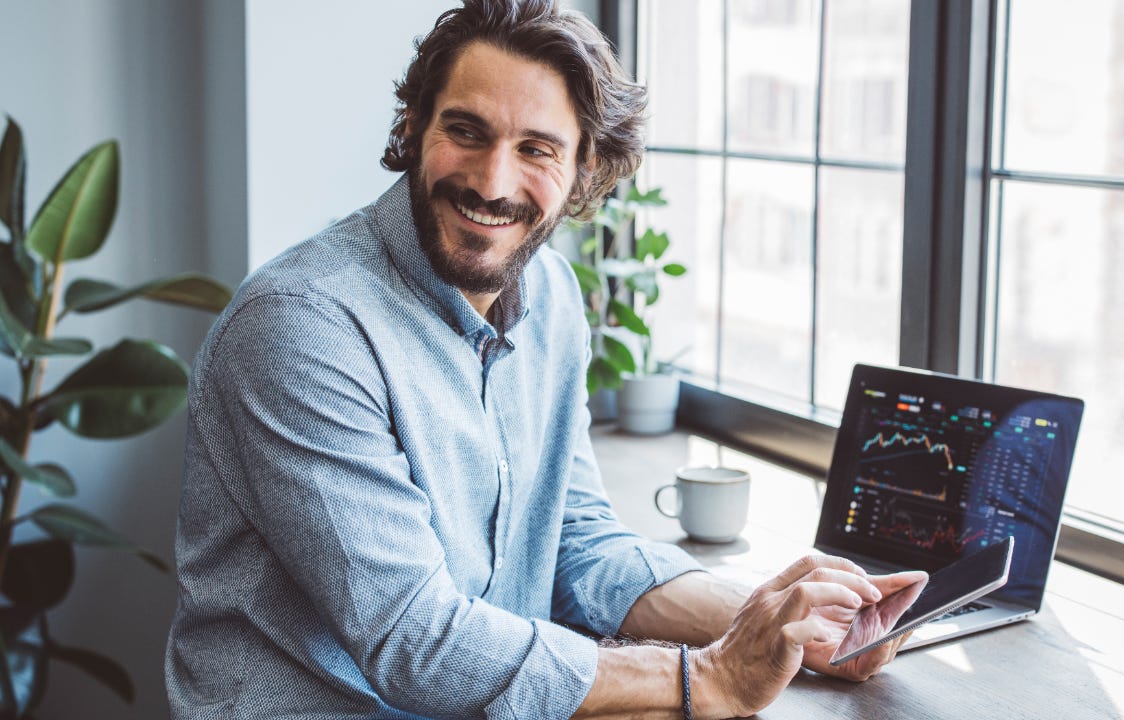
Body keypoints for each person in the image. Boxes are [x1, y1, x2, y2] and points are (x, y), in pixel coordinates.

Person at [164, 1, 925, 718]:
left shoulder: (552, 297)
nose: (492, 182)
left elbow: (574, 543)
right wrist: (711, 676)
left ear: (584, 169)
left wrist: (783, 626)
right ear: (412, 124)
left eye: (536, 149)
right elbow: (413, 639)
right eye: (465, 131)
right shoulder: (301, 329)